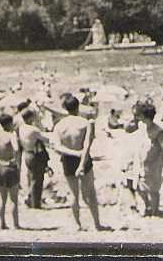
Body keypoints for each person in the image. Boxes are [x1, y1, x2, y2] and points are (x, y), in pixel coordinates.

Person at [49, 95, 111, 231]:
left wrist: (73, 153)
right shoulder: (86, 123)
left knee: (73, 194)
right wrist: (82, 162)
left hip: (67, 159)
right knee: (90, 193)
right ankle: (97, 224)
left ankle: (77, 225)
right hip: (84, 158)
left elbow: (57, 147)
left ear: (65, 108)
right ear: (78, 107)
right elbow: (87, 145)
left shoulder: (59, 125)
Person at [133, 101, 163, 217]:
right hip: (142, 164)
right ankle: (147, 205)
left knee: (153, 190)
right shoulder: (142, 127)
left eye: (140, 116)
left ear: (145, 116)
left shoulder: (158, 131)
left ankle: (155, 212)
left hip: (155, 165)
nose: (138, 118)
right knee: (138, 187)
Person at [18, 108, 50, 209]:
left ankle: (31, 198)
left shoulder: (21, 127)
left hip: (27, 153)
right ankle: (36, 203)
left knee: (32, 177)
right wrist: (39, 123)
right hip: (35, 155)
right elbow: (46, 139)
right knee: (37, 179)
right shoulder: (33, 129)